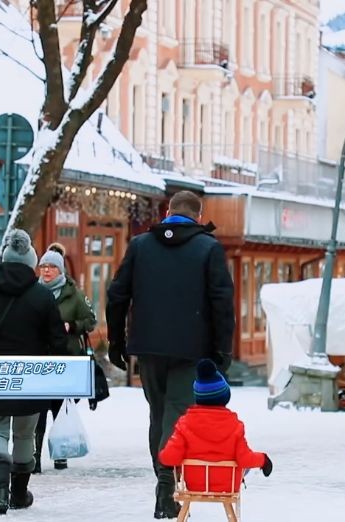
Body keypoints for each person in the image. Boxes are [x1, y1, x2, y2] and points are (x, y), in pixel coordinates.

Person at [106, 190, 235, 519]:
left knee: (159, 414)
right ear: (198, 216)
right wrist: (223, 350)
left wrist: (117, 342)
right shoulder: (208, 248)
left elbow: (117, 295)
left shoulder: (140, 246)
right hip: (193, 348)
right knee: (177, 414)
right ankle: (167, 485)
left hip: (149, 347)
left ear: (167, 213)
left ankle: (165, 482)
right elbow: (222, 304)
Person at [0, 229, 69, 515]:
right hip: (32, 379)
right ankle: (19, 493)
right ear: (31, 262)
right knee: (24, 435)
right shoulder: (43, 297)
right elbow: (58, 341)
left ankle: (0, 493)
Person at [158, 359, 273, 493]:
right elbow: (245, 458)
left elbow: (168, 457)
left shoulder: (184, 424)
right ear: (225, 397)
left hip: (195, 484)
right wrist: (263, 460)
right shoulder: (235, 426)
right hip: (227, 485)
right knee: (240, 461)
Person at [33, 244, 97, 473]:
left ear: (60, 270)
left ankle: (61, 453)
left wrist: (73, 325)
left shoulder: (73, 294)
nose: (46, 270)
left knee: (60, 408)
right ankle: (34, 457)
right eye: (43, 266)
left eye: (51, 267)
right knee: (38, 410)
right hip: (40, 359)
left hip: (66, 359)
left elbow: (91, 320)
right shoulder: (33, 292)